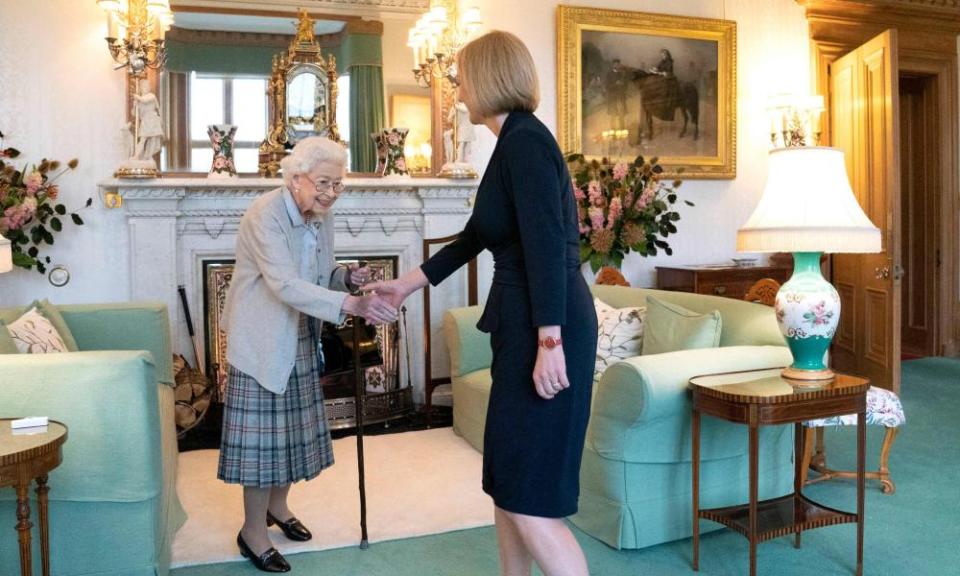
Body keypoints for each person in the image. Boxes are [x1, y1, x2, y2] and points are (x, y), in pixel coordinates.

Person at [365, 31, 596, 576]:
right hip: (523, 324)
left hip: (547, 326)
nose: (457, 85)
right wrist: (406, 284)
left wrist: (550, 341)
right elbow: (476, 235)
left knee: (531, 496)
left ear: (489, 77)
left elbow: (545, 249)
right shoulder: (510, 142)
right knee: (508, 482)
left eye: (462, 74)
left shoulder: (526, 143)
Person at [218, 137, 397, 573]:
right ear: (295, 178)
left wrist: (344, 277)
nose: (331, 193)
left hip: (299, 332)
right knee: (262, 447)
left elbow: (316, 275)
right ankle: (252, 533)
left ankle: (278, 508)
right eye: (323, 183)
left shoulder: (320, 216)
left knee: (291, 437)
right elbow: (283, 284)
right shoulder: (265, 214)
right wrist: (351, 305)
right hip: (261, 338)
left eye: (338, 184)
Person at [133, 78, 163, 161]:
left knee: (153, 139)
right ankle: (136, 156)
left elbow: (145, 100)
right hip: (145, 120)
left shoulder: (151, 96)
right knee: (142, 139)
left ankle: (148, 156)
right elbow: (134, 114)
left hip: (152, 119)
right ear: (141, 88)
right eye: (144, 86)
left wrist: (137, 97)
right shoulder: (139, 99)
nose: (146, 88)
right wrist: (135, 105)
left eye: (147, 86)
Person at [604, 58, 630, 130]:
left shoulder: (622, 74)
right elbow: (607, 86)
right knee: (613, 114)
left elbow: (626, 85)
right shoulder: (609, 74)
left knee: (621, 114)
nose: (617, 65)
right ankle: (613, 130)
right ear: (613, 65)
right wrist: (615, 84)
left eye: (618, 64)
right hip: (613, 97)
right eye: (615, 64)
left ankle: (622, 129)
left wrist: (623, 85)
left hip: (620, 97)